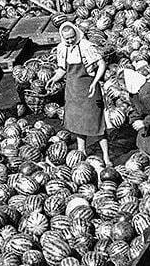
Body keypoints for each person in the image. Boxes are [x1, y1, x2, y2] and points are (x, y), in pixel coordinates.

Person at [47, 22, 111, 164]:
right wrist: (54, 79)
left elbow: (101, 64)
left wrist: (95, 82)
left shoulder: (86, 46)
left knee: (97, 124)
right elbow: (63, 69)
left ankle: (106, 156)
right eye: (67, 38)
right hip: (73, 91)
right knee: (78, 124)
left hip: (89, 90)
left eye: (71, 37)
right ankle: (82, 152)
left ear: (76, 33)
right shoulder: (62, 48)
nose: (70, 41)